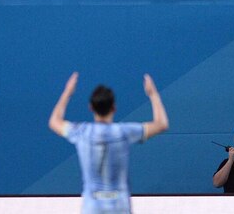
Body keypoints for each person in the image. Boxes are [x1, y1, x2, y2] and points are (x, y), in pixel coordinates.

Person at [48, 72, 169, 214]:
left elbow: (54, 121)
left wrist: (67, 92)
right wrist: (153, 94)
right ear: (114, 108)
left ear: (91, 108)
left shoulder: (81, 132)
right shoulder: (125, 132)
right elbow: (162, 124)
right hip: (120, 205)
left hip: (92, 206)